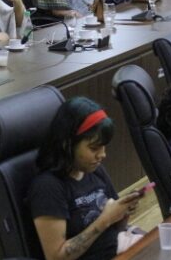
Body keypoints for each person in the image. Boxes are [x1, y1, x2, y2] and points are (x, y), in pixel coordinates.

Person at [29, 96, 144, 260]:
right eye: (94, 148)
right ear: (67, 144)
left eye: (103, 147)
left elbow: (117, 227)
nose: (102, 155)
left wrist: (123, 213)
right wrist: (105, 219)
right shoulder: (48, 187)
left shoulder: (95, 171)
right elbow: (56, 256)